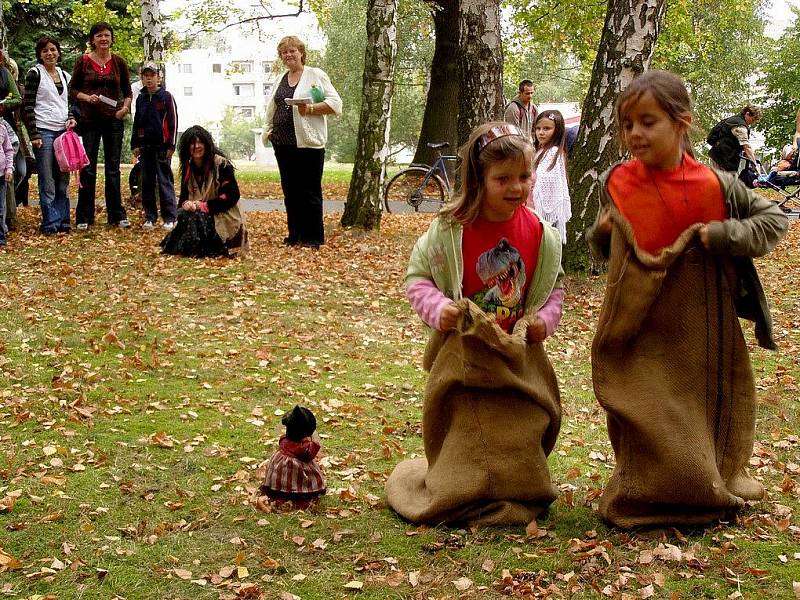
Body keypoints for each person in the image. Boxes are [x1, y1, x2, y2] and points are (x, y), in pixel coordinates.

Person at [586, 70, 788, 529]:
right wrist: (601, 237)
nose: (634, 133)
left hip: (702, 326)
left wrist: (722, 234)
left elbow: (773, 218)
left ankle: (713, 476)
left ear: (682, 123)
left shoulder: (713, 184)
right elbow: (606, 246)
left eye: (647, 122)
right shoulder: (618, 181)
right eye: (627, 124)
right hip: (639, 321)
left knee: (700, 404)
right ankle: (646, 485)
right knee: (642, 404)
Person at [385, 122, 565, 527]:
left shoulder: (541, 234)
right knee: (468, 431)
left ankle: (518, 488)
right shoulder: (450, 230)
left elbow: (554, 290)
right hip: (464, 356)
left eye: (524, 176)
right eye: (502, 178)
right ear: (478, 180)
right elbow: (417, 278)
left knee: (520, 425)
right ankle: (462, 488)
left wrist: (543, 321)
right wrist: (440, 308)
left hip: (516, 358)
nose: (516, 187)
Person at [262, 35, 342, 248]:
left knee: (310, 192)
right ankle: (294, 235)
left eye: (292, 51)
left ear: (301, 53)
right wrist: (268, 131)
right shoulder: (280, 78)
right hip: (283, 144)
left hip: (308, 144)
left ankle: (313, 238)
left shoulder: (315, 75)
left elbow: (336, 104)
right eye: (284, 52)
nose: (288, 55)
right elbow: (273, 107)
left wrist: (311, 109)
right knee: (291, 191)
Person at [69, 21, 133, 230]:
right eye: (99, 36)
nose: (103, 39)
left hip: (113, 121)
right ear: (93, 40)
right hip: (89, 121)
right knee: (88, 169)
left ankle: (116, 215)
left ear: (111, 38)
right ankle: (84, 216)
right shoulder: (83, 61)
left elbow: (128, 92)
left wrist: (125, 109)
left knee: (113, 169)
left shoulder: (119, 63)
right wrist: (87, 98)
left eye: (106, 35)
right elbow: (73, 90)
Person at [160, 125, 248, 257]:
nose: (196, 146)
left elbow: (232, 196)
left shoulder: (222, 165)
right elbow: (184, 198)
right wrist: (187, 204)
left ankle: (207, 249)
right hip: (197, 214)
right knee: (184, 214)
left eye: (200, 142)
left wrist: (203, 206)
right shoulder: (188, 168)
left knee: (196, 217)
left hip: (224, 215)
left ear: (206, 144)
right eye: (192, 143)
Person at [22, 36, 77, 235]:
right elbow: (27, 105)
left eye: (53, 49)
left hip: (63, 132)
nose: (49, 53)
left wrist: (71, 117)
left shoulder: (65, 75)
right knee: (47, 179)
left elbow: (69, 104)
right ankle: (50, 222)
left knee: (63, 178)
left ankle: (63, 221)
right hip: (43, 131)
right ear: (40, 54)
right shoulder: (35, 73)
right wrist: (34, 134)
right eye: (45, 51)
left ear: (58, 52)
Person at [131, 62, 178, 230]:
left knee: (165, 182)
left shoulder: (166, 97)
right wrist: (135, 143)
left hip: (162, 147)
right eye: (145, 76)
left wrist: (171, 145)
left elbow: (173, 121)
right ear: (142, 78)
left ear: (159, 77)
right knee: (147, 183)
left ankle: (170, 217)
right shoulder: (141, 98)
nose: (149, 79)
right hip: (145, 147)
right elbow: (137, 122)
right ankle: (150, 217)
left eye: (152, 75)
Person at [259, 405, 326, 509]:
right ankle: (297, 495)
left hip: (279, 474)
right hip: (294, 472)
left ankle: (276, 492)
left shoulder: (284, 442)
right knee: (305, 475)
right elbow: (310, 455)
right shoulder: (304, 449)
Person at [531, 110, 571, 244]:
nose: (541, 132)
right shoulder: (540, 151)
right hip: (532, 208)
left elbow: (544, 182)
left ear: (557, 130)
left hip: (544, 214)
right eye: (538, 128)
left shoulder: (554, 153)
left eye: (546, 128)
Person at [0, 50, 23, 230]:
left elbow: (17, 98)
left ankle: (9, 218)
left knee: (14, 172)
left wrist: (2, 105)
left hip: (4, 126)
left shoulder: (4, 74)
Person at [707, 104, 762, 174]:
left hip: (717, 155)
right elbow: (747, 147)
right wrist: (755, 164)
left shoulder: (733, 120)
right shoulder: (740, 126)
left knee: (717, 181)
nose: (752, 122)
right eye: (753, 119)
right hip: (724, 160)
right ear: (747, 114)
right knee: (725, 183)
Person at [0, 117, 13, 245]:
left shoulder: (2, 129)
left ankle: (1, 236)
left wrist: (9, 169)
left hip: (1, 174)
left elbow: (9, 150)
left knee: (1, 207)